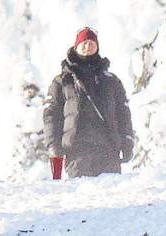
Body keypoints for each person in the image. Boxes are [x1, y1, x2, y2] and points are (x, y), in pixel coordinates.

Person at [43, 27, 135, 178]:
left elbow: (123, 113)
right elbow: (51, 115)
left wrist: (127, 142)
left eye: (92, 43)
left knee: (112, 197)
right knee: (82, 198)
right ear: (76, 46)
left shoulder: (111, 81)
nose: (88, 46)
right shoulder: (62, 81)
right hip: (77, 151)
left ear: (97, 47)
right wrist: (54, 145)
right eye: (84, 43)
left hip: (108, 149)